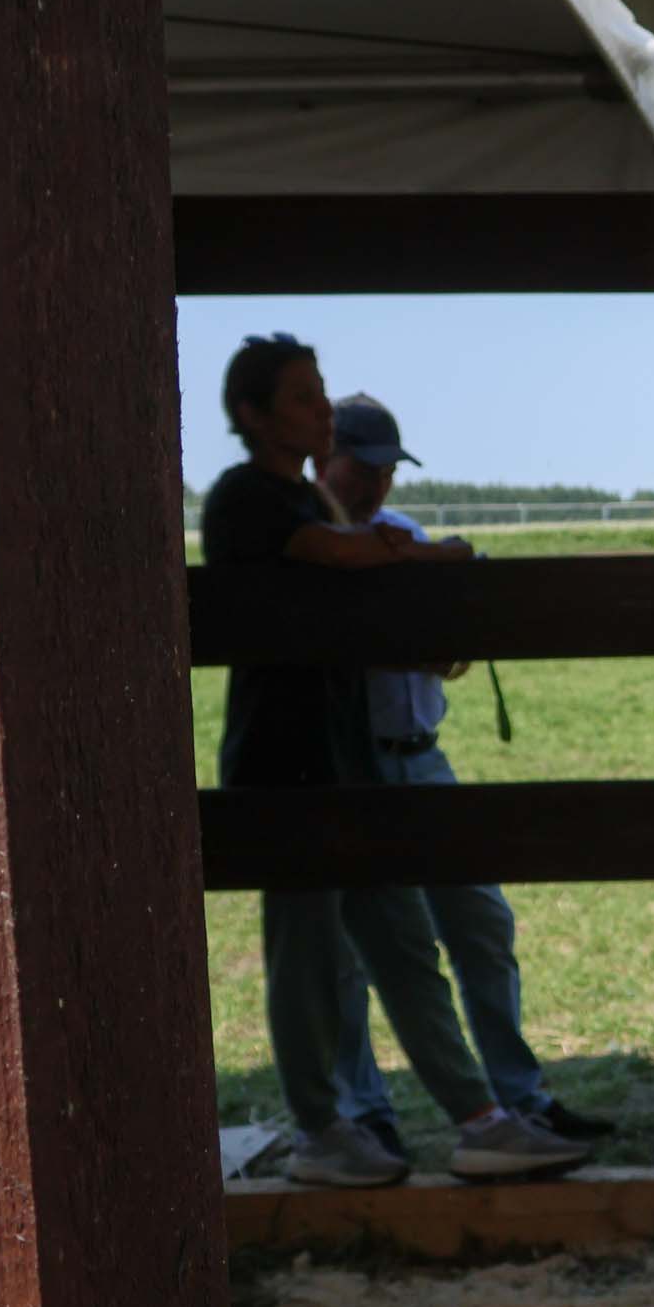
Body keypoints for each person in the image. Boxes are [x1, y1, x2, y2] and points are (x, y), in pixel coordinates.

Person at [195, 338, 576, 1186]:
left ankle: (479, 1119)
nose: (320, 411)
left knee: (399, 942)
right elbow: (345, 556)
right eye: (300, 398)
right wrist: (435, 557)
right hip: (282, 761)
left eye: (320, 395)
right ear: (252, 415)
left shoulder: (297, 497)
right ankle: (322, 1129)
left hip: (342, 757)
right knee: (309, 955)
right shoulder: (249, 499)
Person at [318, 393, 611, 1165]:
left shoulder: (400, 538)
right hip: (359, 764)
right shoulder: (319, 547)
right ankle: (367, 1110)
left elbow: (449, 648)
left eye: (386, 472)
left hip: (420, 752)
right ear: (332, 458)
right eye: (368, 469)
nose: (379, 486)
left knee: (478, 922)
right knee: (360, 948)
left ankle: (520, 1095)